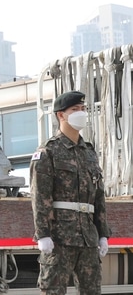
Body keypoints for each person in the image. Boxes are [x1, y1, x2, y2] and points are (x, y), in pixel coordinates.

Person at [30, 90, 111, 295]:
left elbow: (99, 197)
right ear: (61, 115)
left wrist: (103, 234)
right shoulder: (48, 151)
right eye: (75, 109)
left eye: (83, 109)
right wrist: (43, 234)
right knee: (54, 291)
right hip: (59, 238)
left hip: (88, 238)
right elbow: (40, 196)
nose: (81, 113)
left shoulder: (89, 153)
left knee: (92, 291)